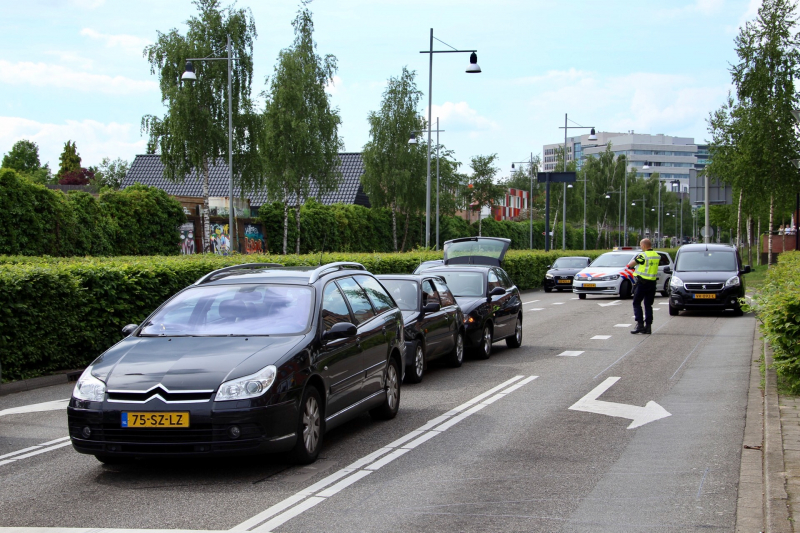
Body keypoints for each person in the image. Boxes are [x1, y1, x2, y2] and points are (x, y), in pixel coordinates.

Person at [627, 238, 660, 334]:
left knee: (636, 303)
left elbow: (630, 265)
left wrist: (632, 266)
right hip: (652, 283)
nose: (640, 247)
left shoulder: (643, 255)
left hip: (642, 283)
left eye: (641, 245)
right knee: (648, 305)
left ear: (644, 245)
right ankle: (648, 327)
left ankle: (640, 325)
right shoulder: (656, 255)